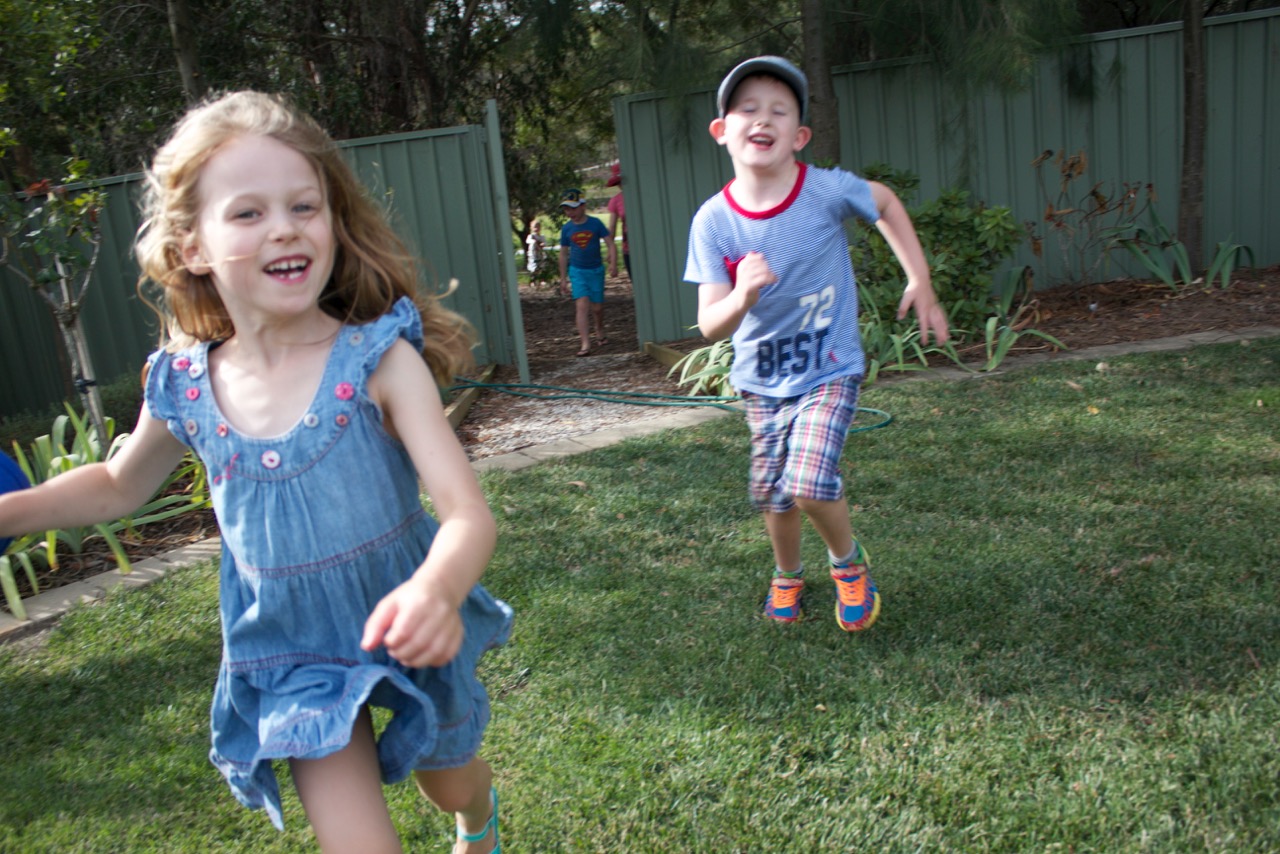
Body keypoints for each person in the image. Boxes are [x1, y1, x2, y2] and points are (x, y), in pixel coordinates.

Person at [0, 91, 511, 853]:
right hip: (290, 648)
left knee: (448, 779)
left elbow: (467, 514)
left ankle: (477, 813)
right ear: (192, 248)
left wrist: (436, 590)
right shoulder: (184, 383)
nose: (284, 227)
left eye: (304, 206)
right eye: (248, 213)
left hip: (407, 619)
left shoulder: (377, 360)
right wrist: (8, 512)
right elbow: (118, 485)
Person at [684, 57, 949, 631]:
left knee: (806, 482)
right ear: (721, 130)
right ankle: (787, 575)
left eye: (779, 111)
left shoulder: (823, 191)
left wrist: (919, 279)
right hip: (761, 382)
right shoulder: (713, 222)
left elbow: (884, 201)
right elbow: (710, 325)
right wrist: (743, 295)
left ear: (800, 136)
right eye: (748, 109)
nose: (763, 119)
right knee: (773, 495)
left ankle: (848, 564)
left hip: (829, 367)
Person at [557, 188, 616, 356]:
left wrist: (613, 263)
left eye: (573, 208)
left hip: (596, 270)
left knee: (597, 307)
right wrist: (563, 278)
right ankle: (585, 343)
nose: (570, 213)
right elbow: (563, 254)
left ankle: (599, 328)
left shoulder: (595, 223)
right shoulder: (567, 229)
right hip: (577, 271)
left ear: (583, 206)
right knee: (581, 305)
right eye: (567, 209)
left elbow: (610, 243)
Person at [605, 163, 632, 284]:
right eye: (618, 182)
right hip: (628, 249)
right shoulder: (615, 201)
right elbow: (612, 228)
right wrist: (611, 253)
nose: (621, 185)